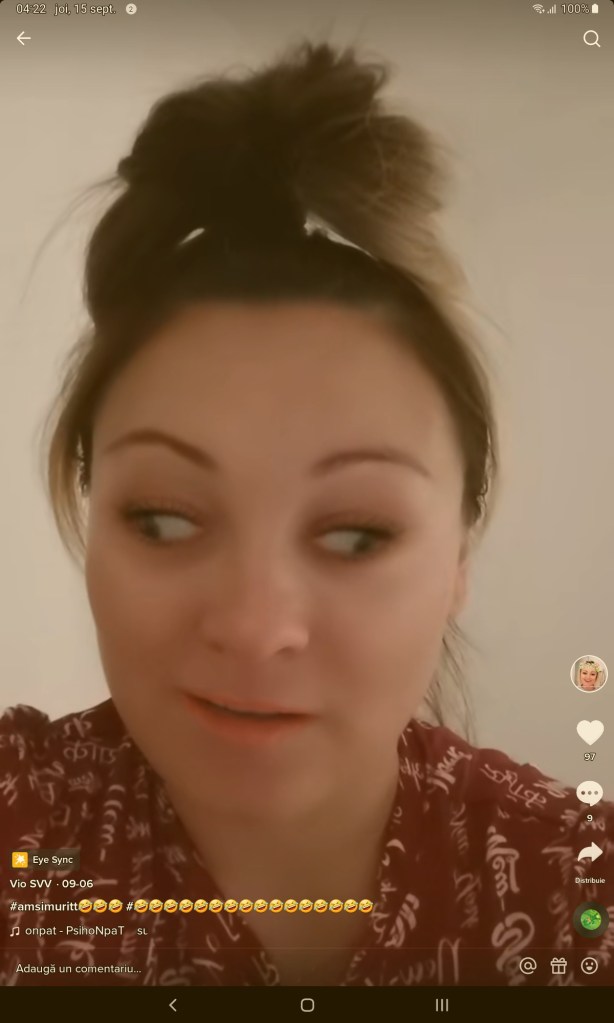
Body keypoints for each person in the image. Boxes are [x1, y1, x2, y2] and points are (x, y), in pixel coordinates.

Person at [1, 40, 612, 989]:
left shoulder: (578, 886)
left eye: (357, 533)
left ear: (459, 552)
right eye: (163, 519)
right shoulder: (25, 826)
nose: (255, 626)